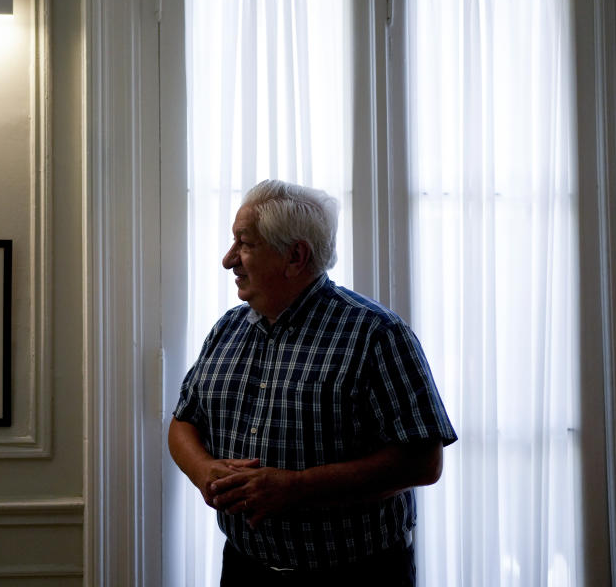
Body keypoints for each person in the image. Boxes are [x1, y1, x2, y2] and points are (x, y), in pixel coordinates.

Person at [169, 179, 457, 586]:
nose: (228, 259)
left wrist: (296, 487)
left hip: (358, 574)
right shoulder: (227, 329)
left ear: (295, 256)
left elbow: (423, 461)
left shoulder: (376, 333)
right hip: (244, 568)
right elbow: (183, 422)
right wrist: (205, 471)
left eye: (245, 243)